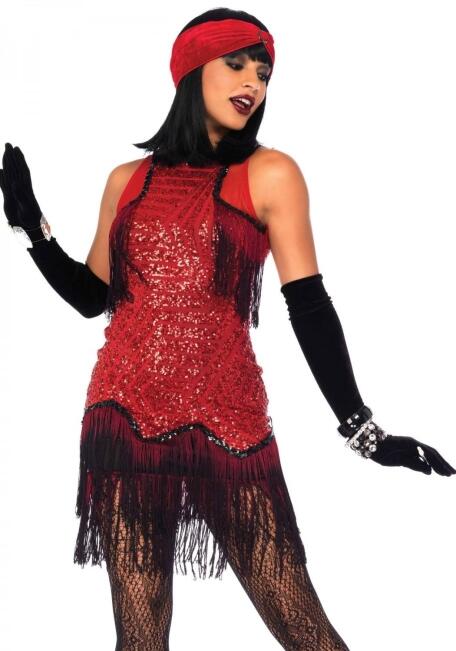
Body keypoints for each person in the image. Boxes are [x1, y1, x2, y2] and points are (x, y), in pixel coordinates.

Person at [2, 7, 455, 651]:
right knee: (139, 638)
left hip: (228, 422)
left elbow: (309, 307)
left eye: (263, 73)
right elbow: (91, 297)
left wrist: (363, 429)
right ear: (192, 71)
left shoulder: (270, 173)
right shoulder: (127, 181)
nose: (253, 83)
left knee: (303, 628)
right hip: (122, 417)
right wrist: (32, 229)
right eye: (237, 64)